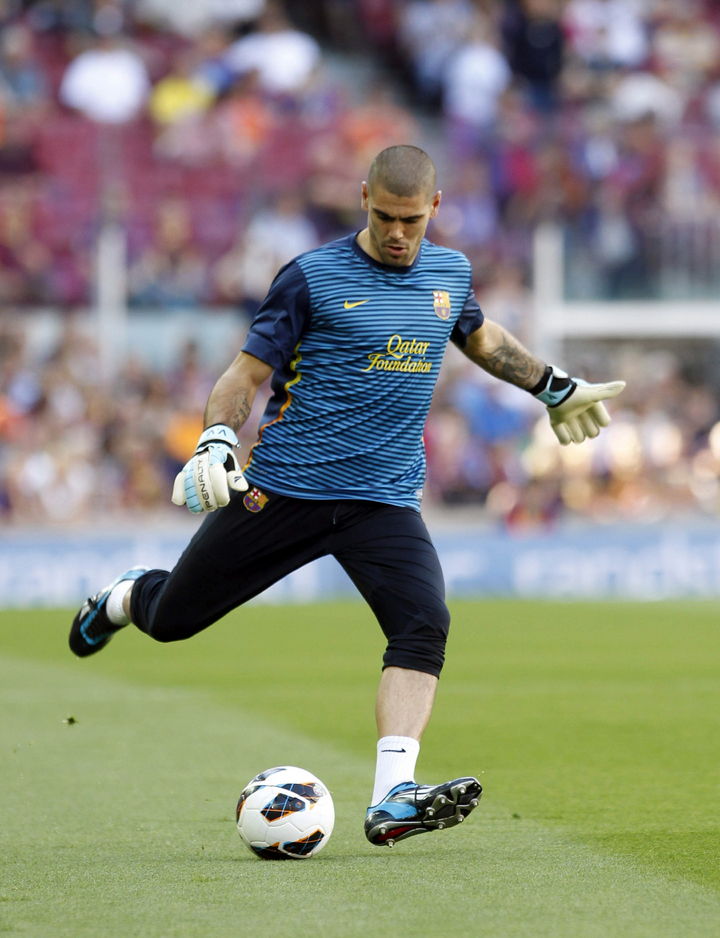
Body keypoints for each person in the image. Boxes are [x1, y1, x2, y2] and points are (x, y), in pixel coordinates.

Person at [69, 145, 624, 848]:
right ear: (364, 198)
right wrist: (215, 439)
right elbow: (245, 374)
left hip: (382, 501)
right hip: (285, 489)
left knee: (424, 623)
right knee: (174, 619)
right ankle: (127, 596)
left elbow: (481, 339)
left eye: (411, 220)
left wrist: (553, 386)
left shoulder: (450, 274)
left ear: (435, 209)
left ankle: (392, 794)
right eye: (385, 216)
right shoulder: (312, 277)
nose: (397, 233)